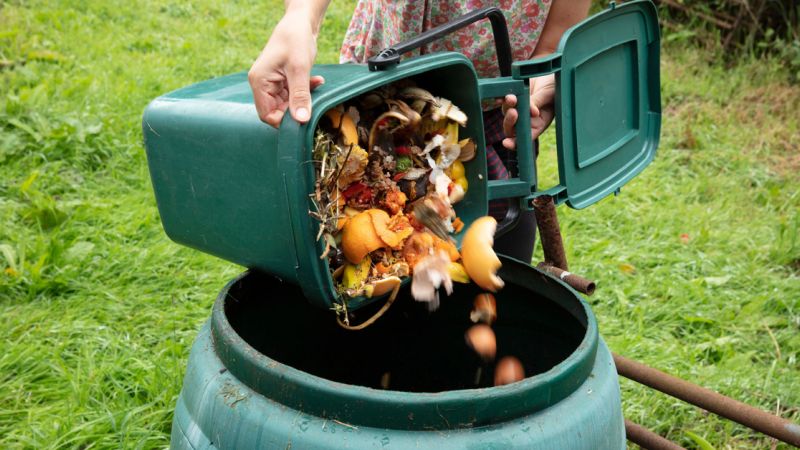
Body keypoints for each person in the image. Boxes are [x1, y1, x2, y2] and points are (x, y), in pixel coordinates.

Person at [248, 0, 590, 263]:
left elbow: (552, 43)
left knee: (500, 244)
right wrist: (301, 19)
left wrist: (541, 84)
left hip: (492, 114)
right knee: (350, 239)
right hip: (375, 92)